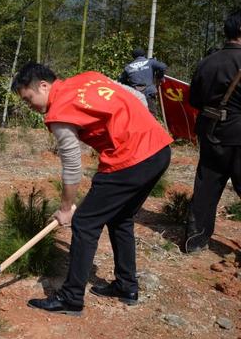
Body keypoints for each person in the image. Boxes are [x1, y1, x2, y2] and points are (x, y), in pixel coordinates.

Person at [12, 62, 172, 316]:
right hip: (159, 149)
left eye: (28, 98)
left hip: (129, 159)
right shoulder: (89, 77)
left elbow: (73, 166)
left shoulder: (59, 112)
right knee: (121, 218)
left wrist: (66, 208)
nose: (29, 105)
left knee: (85, 223)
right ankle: (126, 286)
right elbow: (138, 98)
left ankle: (71, 298)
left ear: (43, 86)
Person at [185, 9, 241, 253]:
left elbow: (194, 100)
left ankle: (194, 241)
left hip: (209, 131)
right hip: (238, 133)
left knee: (206, 186)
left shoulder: (207, 61)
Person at [119, 47, 167, 116]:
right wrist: (159, 77)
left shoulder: (128, 67)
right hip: (149, 93)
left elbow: (121, 82)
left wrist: (131, 86)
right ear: (144, 55)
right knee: (152, 116)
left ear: (133, 57)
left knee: (139, 116)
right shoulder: (150, 62)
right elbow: (163, 67)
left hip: (136, 95)